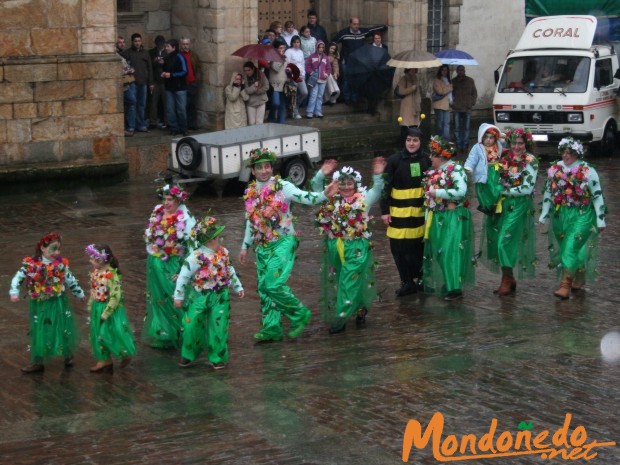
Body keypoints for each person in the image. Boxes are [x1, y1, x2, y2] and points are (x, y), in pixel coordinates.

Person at [238, 148, 339, 342]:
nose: (265, 170)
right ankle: (272, 328)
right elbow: (251, 221)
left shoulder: (282, 186)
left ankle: (299, 314)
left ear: (271, 167)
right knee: (263, 288)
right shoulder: (250, 193)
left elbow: (306, 198)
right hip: (262, 245)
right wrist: (245, 246)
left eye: (267, 166)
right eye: (260, 167)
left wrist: (324, 194)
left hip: (284, 241)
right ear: (253, 171)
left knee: (273, 284)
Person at [311, 158, 386, 334]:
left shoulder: (363, 199)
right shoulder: (330, 198)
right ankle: (360, 308)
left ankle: (341, 318)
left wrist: (377, 174)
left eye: (349, 183)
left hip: (357, 246)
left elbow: (377, 189)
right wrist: (322, 173)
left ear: (356, 184)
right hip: (335, 245)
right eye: (341, 183)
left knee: (348, 280)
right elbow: (315, 188)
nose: (346, 187)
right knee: (343, 280)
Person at [539, 137, 607, 299]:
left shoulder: (587, 170)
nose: (565, 156)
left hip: (582, 214)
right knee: (569, 247)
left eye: (569, 153)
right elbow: (549, 192)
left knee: (570, 246)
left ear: (577, 154)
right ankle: (580, 275)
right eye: (563, 152)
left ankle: (565, 285)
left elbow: (597, 195)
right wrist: (544, 213)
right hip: (560, 215)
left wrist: (600, 218)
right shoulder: (555, 169)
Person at [174, 216, 244, 369]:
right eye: (218, 237)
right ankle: (188, 353)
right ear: (210, 239)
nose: (220, 240)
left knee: (219, 326)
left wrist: (238, 287)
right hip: (199, 296)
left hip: (220, 296)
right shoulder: (196, 257)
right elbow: (183, 276)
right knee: (191, 324)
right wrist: (179, 296)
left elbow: (230, 270)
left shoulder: (223, 253)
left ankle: (217, 356)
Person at [10, 233, 85, 373]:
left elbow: (70, 279)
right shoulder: (31, 265)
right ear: (42, 248)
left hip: (57, 301)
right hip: (40, 304)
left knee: (62, 327)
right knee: (40, 330)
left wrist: (79, 293)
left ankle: (67, 354)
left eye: (59, 249)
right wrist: (14, 292)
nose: (57, 253)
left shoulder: (60, 265)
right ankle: (37, 361)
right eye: (53, 249)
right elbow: (18, 278)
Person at [481, 127, 538, 296]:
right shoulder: (504, 157)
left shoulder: (531, 160)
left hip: (519, 205)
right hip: (502, 204)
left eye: (520, 143)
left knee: (504, 240)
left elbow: (527, 188)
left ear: (526, 144)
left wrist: (504, 191)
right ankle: (508, 277)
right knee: (498, 237)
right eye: (514, 143)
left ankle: (506, 279)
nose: (516, 147)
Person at [380, 126, 432, 296]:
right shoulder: (395, 160)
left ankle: (421, 279)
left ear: (420, 142)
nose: (411, 143)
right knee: (399, 248)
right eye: (409, 140)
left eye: (415, 140)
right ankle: (406, 281)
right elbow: (385, 187)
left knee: (418, 248)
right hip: (398, 214)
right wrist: (384, 211)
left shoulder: (426, 160)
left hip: (419, 214)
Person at [422, 136, 475, 301]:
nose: (430, 157)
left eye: (433, 154)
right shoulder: (434, 172)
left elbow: (461, 191)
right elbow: (429, 200)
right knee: (440, 251)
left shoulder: (455, 169)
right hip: (437, 216)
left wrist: (437, 193)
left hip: (453, 217)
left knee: (450, 251)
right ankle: (449, 282)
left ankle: (455, 288)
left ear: (442, 156)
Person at [144, 184, 196, 348]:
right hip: (156, 263)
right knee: (159, 298)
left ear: (178, 200)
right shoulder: (158, 212)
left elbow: (192, 245)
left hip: (174, 263)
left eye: (170, 200)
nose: (166, 203)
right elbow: (150, 233)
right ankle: (164, 332)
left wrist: (184, 267)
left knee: (174, 295)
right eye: (164, 199)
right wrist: (152, 244)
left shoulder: (186, 218)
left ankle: (185, 330)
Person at [85, 243, 136, 373]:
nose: (90, 261)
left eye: (92, 258)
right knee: (97, 334)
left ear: (100, 260)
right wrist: (91, 303)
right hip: (98, 306)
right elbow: (94, 290)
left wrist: (106, 313)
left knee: (111, 332)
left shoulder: (111, 275)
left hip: (110, 310)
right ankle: (104, 360)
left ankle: (124, 353)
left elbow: (116, 295)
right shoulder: (96, 272)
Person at [332, 17, 387, 105]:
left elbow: (371, 30)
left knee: (356, 81)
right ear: (350, 24)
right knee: (346, 81)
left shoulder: (362, 32)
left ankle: (354, 98)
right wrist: (335, 54)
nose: (356, 26)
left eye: (358, 24)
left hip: (358, 62)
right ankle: (346, 98)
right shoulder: (344, 33)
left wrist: (384, 27)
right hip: (346, 61)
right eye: (354, 24)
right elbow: (333, 42)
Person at [464, 123, 504, 215]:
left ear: (495, 138)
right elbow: (472, 158)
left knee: (497, 188)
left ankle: (496, 204)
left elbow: (503, 145)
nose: (488, 140)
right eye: (486, 137)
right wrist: (469, 166)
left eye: (491, 137)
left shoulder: (497, 145)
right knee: (485, 189)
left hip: (496, 171)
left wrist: (502, 137)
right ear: (481, 137)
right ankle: (487, 205)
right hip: (484, 171)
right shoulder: (478, 147)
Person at [121, 33, 154, 133]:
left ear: (141, 41)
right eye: (135, 41)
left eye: (139, 41)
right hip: (132, 83)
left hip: (143, 83)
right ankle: (131, 126)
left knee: (142, 105)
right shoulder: (127, 53)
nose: (137, 43)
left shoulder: (145, 53)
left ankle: (141, 124)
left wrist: (151, 82)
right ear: (132, 42)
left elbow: (150, 68)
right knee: (132, 105)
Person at [162, 39, 188, 136]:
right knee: (170, 109)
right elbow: (165, 70)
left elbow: (185, 71)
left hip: (180, 88)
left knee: (181, 109)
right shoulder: (167, 58)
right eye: (166, 46)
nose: (166, 48)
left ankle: (183, 128)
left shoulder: (180, 57)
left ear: (174, 47)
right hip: (169, 88)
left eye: (168, 46)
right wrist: (164, 73)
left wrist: (172, 75)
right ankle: (174, 128)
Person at [451, 66, 478, 154]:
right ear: (456, 71)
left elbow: (474, 93)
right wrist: (452, 103)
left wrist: (472, 102)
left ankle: (465, 145)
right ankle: (459, 146)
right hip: (457, 108)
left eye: (462, 70)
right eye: (459, 70)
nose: (461, 72)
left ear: (464, 71)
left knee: (466, 128)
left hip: (467, 108)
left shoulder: (470, 80)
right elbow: (450, 94)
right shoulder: (453, 81)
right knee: (457, 128)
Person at [305, 40, 331, 119]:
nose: (321, 49)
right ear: (316, 47)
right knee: (313, 95)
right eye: (319, 47)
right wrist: (311, 73)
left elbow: (329, 68)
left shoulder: (326, 57)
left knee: (320, 96)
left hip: (323, 80)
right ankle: (310, 112)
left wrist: (326, 74)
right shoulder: (312, 56)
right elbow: (307, 66)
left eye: (322, 47)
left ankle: (318, 111)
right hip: (314, 80)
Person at [284, 36, 308, 119]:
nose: (296, 44)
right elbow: (287, 64)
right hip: (293, 76)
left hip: (301, 76)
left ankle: (294, 106)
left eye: (298, 42)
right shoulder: (288, 51)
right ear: (292, 43)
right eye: (295, 42)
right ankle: (294, 112)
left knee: (304, 92)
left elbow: (302, 63)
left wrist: (303, 73)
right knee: (293, 94)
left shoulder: (301, 52)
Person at [180, 37, 201, 130]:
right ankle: (184, 125)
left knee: (193, 105)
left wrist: (197, 80)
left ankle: (192, 124)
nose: (185, 46)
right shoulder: (179, 55)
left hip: (192, 83)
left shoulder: (194, 55)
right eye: (184, 44)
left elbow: (198, 68)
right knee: (183, 105)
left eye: (187, 44)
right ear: (181, 44)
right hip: (182, 84)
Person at [395, 68, 421, 143]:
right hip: (407, 107)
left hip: (415, 107)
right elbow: (401, 91)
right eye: (411, 69)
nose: (413, 70)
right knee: (406, 127)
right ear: (408, 69)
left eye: (414, 69)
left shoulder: (416, 78)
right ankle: (403, 145)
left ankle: (413, 145)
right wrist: (411, 88)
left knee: (414, 127)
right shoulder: (404, 78)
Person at [148, 35, 168, 130]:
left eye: (161, 44)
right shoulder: (151, 52)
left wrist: (164, 62)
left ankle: (167, 121)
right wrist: (155, 61)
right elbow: (149, 67)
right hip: (155, 81)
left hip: (165, 82)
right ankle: (153, 121)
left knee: (166, 103)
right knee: (153, 103)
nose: (159, 46)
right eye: (158, 44)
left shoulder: (167, 53)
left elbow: (170, 65)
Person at [268, 39, 289, 124]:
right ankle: (271, 117)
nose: (282, 49)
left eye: (283, 48)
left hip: (284, 84)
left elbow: (286, 67)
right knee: (275, 103)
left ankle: (281, 123)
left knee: (282, 105)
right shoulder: (272, 58)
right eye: (280, 48)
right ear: (276, 49)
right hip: (275, 84)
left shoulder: (285, 57)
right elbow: (276, 68)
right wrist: (281, 59)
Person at [432, 64, 453, 141]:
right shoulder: (437, 80)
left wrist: (451, 101)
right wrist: (449, 87)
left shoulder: (448, 80)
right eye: (443, 70)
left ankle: (446, 142)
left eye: (446, 70)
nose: (445, 72)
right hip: (439, 105)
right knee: (439, 124)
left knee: (446, 124)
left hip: (447, 105)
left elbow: (449, 93)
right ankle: (438, 141)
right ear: (440, 71)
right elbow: (440, 91)